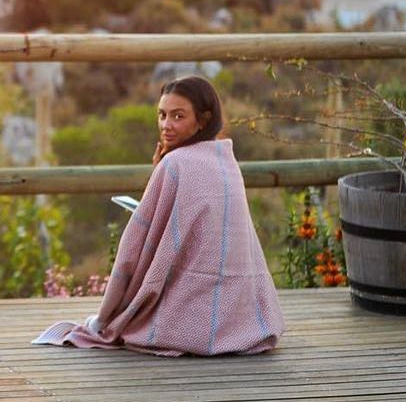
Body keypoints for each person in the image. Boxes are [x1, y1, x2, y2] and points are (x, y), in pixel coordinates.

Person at [33, 76, 285, 356]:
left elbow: (133, 247)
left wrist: (104, 319)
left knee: (134, 317)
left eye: (178, 116)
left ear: (203, 120)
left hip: (191, 318)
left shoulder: (176, 163)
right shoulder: (226, 161)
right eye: (162, 115)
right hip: (241, 318)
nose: (166, 125)